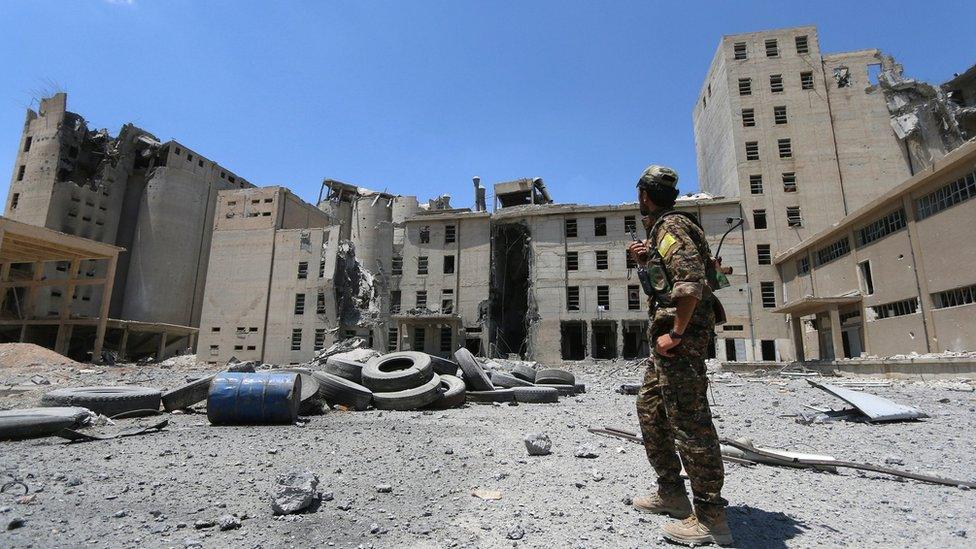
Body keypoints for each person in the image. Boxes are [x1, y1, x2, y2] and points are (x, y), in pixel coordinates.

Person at [626, 165, 732, 546]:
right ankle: (671, 492)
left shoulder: (671, 228)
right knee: (651, 409)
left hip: (678, 340)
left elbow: (690, 285)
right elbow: (668, 282)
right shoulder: (665, 231)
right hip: (668, 341)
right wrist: (643, 261)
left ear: (643, 196)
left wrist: (676, 333)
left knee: (690, 421)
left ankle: (710, 517)